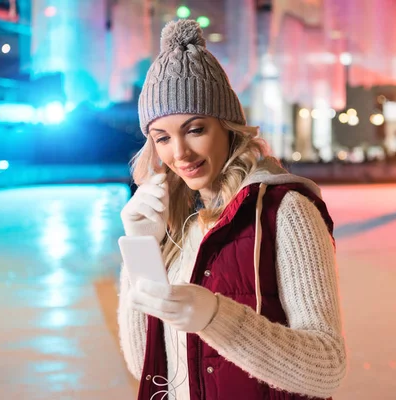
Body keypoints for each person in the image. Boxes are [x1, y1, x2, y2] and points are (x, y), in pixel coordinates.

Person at [118, 20, 346, 400]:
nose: (180, 154)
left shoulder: (286, 212)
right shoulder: (171, 224)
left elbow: (327, 368)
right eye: (162, 138)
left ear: (228, 127)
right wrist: (140, 248)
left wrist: (216, 317)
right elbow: (145, 363)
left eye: (195, 129)